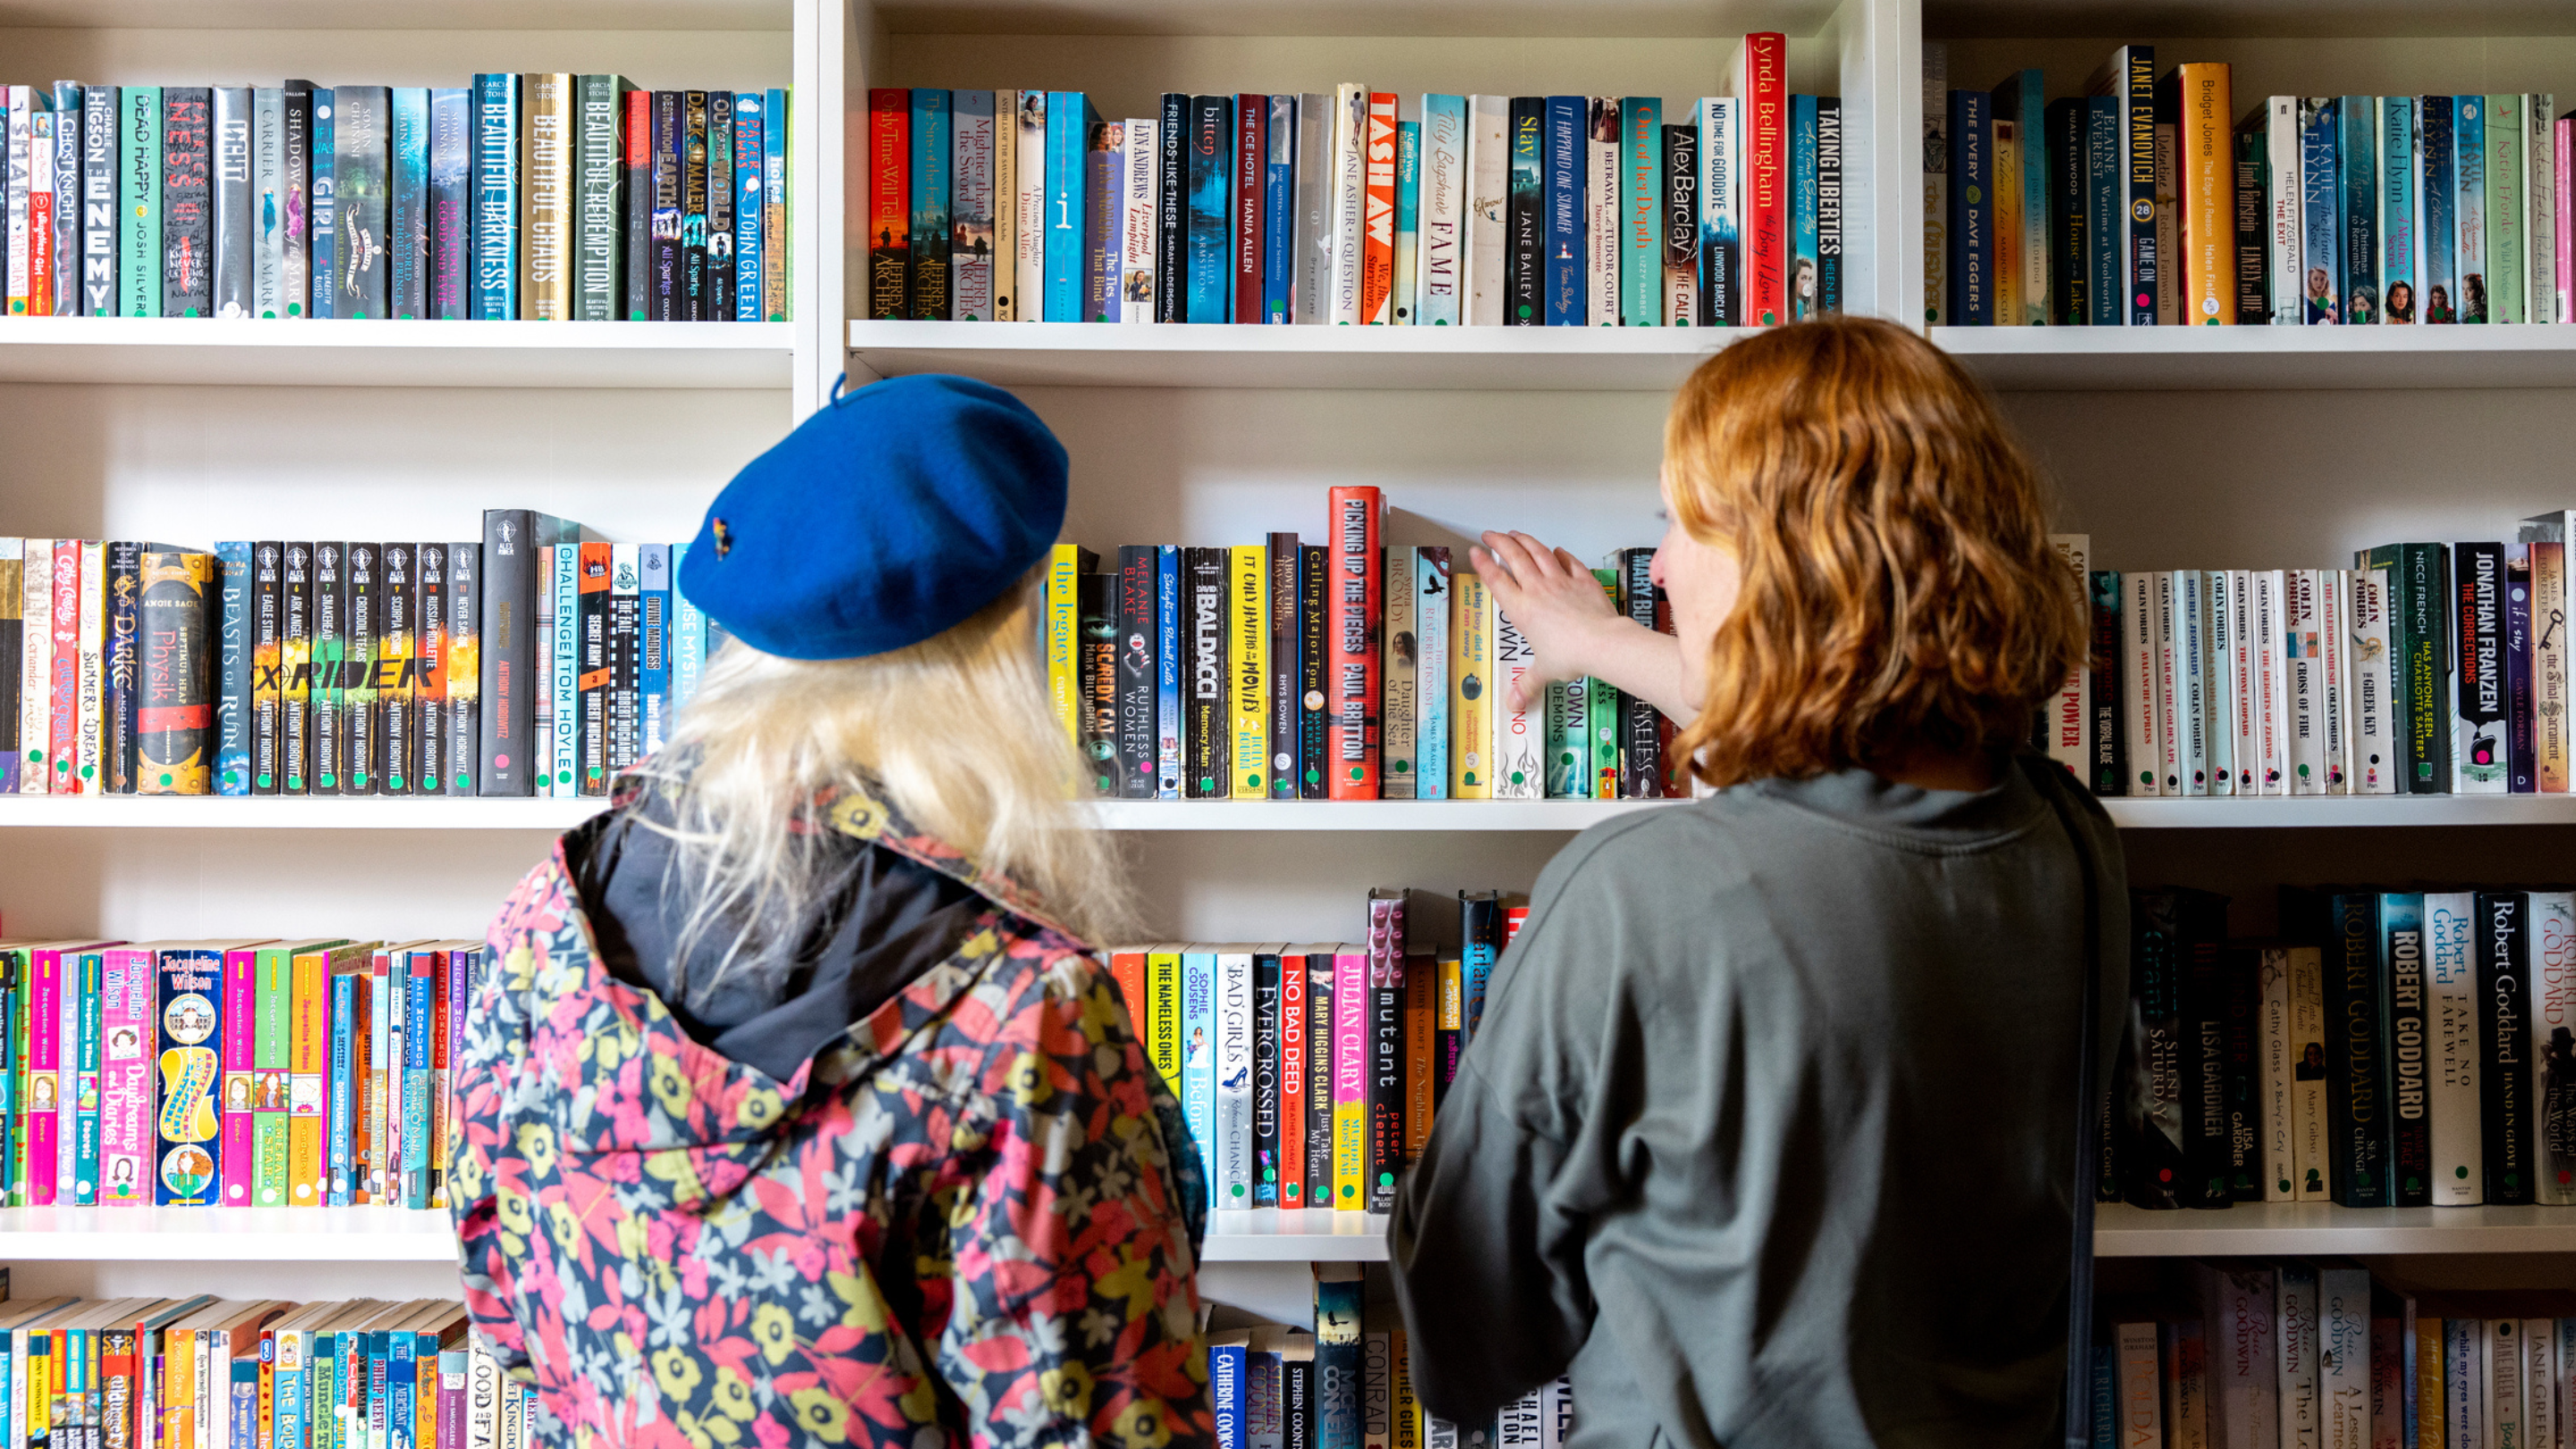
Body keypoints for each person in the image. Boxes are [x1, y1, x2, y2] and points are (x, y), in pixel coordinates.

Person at [1390, 317, 2128, 1448]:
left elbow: (1465, 1341)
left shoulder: (1633, 899)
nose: (1660, 569)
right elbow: (1852, 737)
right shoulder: (2073, 842)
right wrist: (1603, 643)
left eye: (1676, 524)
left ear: (1782, 564)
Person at [450, 376, 1212, 1449]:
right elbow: (1102, 1417)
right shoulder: (1020, 1013)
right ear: (1003, 645)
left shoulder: (548, 920)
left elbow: (503, 1302)